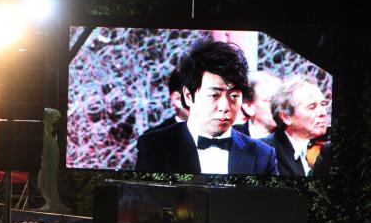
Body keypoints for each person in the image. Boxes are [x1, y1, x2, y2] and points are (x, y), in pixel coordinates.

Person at [135, 38, 278, 175]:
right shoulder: (155, 146)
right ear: (189, 96)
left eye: (234, 96)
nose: (225, 107)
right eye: (214, 95)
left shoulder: (262, 155)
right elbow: (145, 199)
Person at [261, 77, 329, 176]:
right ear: (286, 116)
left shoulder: (327, 147)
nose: (323, 113)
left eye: (323, 105)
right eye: (312, 107)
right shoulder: (263, 151)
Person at [233, 71, 281, 139]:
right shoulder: (228, 139)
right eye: (270, 100)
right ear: (248, 107)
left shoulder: (292, 139)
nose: (280, 106)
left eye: (281, 100)